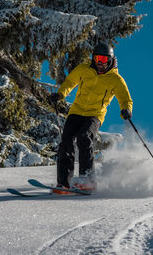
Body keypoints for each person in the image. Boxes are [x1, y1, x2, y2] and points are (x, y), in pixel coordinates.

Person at [49, 42, 133, 192]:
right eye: (97, 58)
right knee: (66, 142)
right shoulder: (83, 69)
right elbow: (70, 82)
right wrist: (61, 94)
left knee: (84, 137)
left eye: (104, 59)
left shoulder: (115, 79)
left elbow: (125, 98)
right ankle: (63, 183)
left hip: (94, 115)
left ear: (111, 60)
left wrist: (126, 109)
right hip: (76, 111)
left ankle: (87, 180)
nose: (100, 63)